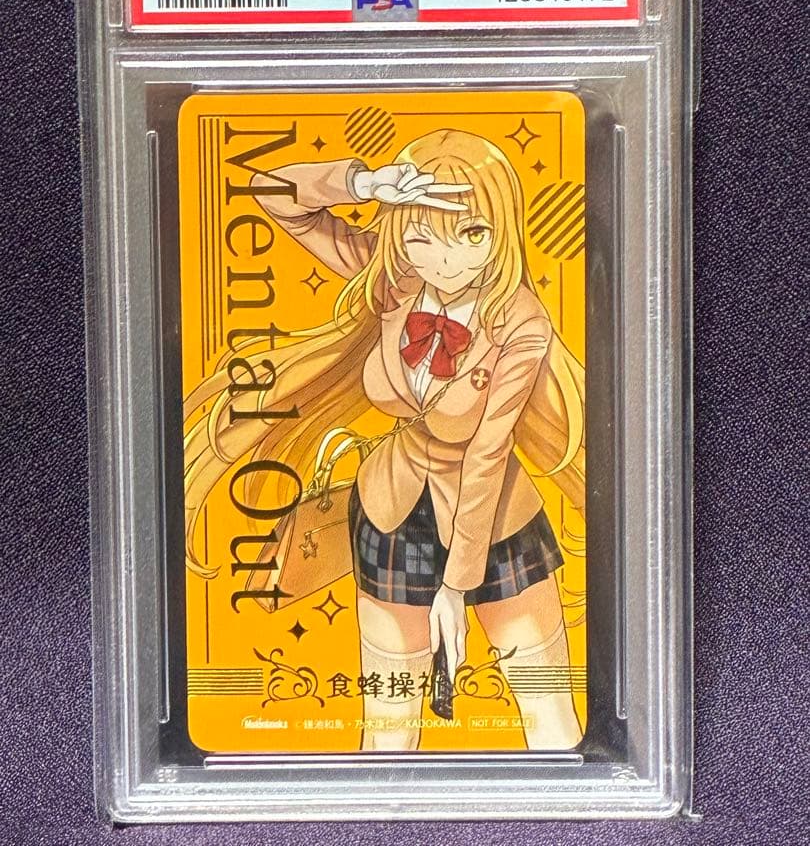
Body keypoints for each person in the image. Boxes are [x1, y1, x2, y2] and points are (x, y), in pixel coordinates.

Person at [184, 129, 585, 751]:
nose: (445, 262)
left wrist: (456, 587)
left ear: (501, 229)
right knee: (389, 725)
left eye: (470, 234)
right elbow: (271, 191)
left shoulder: (520, 320)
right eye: (423, 237)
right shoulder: (392, 283)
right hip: (390, 510)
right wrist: (364, 184)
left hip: (496, 522)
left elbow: (488, 451)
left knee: (548, 716)